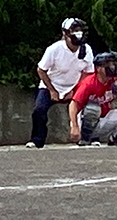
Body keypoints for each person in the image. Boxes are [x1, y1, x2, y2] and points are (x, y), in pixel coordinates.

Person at [26, 18, 95, 148]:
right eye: (74, 30)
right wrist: (52, 90)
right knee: (39, 110)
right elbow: (41, 70)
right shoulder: (54, 49)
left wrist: (75, 90)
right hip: (51, 85)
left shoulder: (87, 50)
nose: (78, 34)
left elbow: (88, 73)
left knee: (91, 108)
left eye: (80, 30)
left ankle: (86, 138)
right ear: (65, 34)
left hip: (74, 86)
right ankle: (37, 140)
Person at [68, 51, 117, 146]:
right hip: (85, 121)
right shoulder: (89, 83)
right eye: (108, 65)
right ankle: (85, 139)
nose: (112, 67)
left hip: (104, 118)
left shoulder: (114, 82)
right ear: (98, 68)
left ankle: (116, 140)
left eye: (113, 64)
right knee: (93, 109)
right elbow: (73, 104)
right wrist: (74, 126)